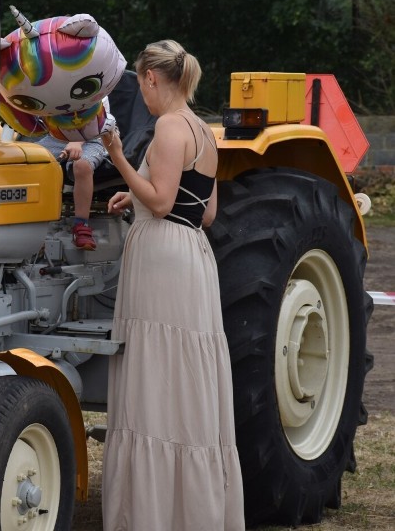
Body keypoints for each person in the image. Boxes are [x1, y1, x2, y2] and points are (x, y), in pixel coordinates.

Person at [100, 40, 245, 530]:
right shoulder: (204, 131)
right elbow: (203, 212)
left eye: (141, 82)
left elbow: (161, 203)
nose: (141, 94)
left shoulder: (167, 126)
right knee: (185, 379)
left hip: (161, 259)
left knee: (156, 378)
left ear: (152, 78)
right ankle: (193, 510)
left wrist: (119, 157)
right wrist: (134, 195)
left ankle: (154, 513)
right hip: (193, 258)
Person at [36, 135, 107, 250]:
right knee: (25, 160)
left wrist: (77, 141)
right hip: (54, 139)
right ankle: (32, 226)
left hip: (90, 140)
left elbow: (97, 123)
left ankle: (81, 225)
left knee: (82, 165)